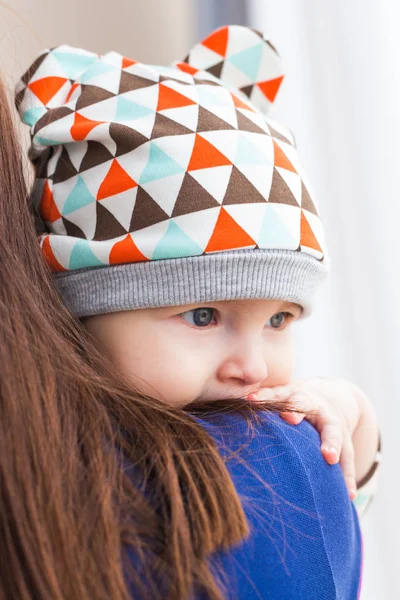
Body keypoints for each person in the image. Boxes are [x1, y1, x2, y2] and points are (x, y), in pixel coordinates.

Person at [1, 24, 379, 599]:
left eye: (280, 319)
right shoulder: (70, 467)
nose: (252, 368)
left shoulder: (269, 421)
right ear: (79, 306)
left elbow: (352, 476)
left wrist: (353, 416)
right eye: (203, 315)